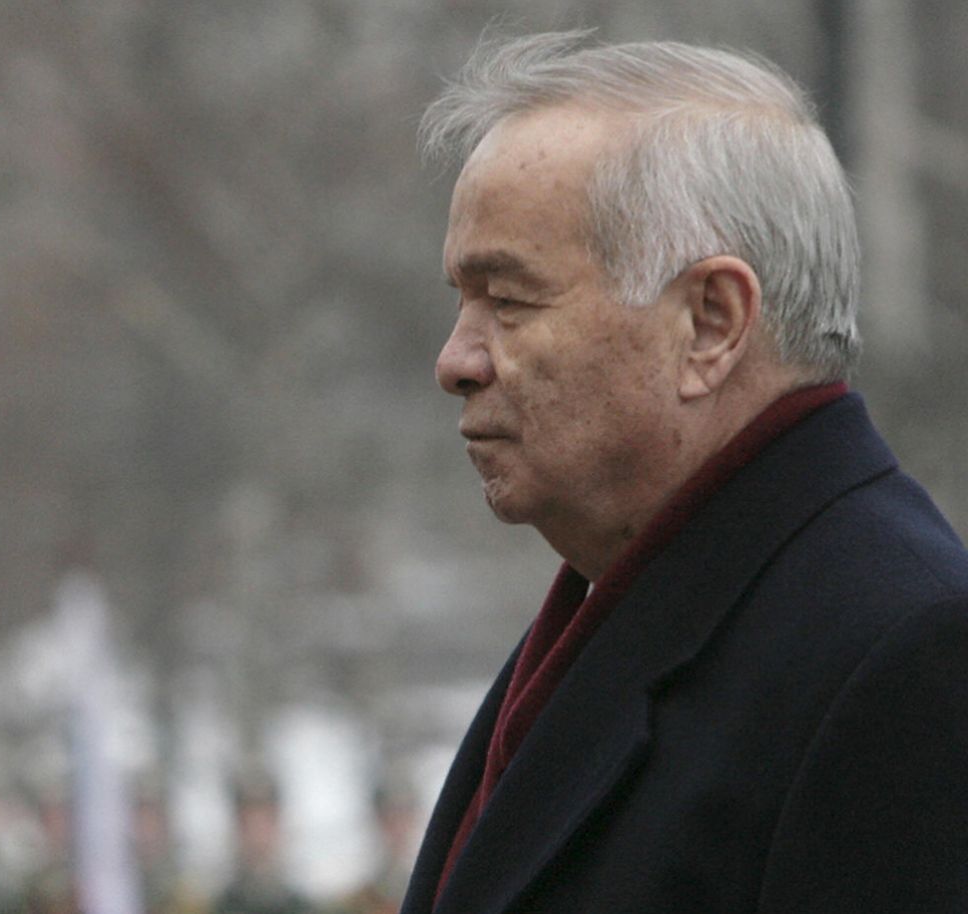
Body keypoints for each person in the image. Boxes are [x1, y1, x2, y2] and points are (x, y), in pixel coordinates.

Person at [403, 30, 968, 913]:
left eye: (508, 300)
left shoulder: (908, 660)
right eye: (461, 301)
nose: (456, 360)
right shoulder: (648, 598)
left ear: (711, 323)